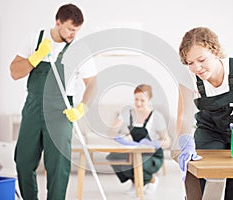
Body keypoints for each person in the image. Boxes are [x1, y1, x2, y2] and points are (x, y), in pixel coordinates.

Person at [10, 4, 97, 200]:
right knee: (23, 161)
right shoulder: (35, 39)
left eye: (77, 30)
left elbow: (93, 84)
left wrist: (82, 107)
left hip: (60, 113)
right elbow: (15, 72)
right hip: (33, 109)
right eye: (70, 29)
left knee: (58, 166)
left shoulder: (78, 49)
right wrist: (35, 57)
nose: (73, 34)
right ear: (58, 23)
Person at [177, 27, 233, 200]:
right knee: (199, 174)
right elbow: (183, 117)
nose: (196, 67)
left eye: (201, 59)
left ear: (216, 51)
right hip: (211, 129)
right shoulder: (188, 79)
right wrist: (184, 141)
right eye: (190, 63)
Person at [108, 84, 171, 194]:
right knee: (113, 157)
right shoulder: (128, 114)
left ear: (149, 100)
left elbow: (167, 141)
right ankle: (135, 182)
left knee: (136, 162)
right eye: (136, 99)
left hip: (152, 154)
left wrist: (152, 143)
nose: (138, 103)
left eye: (142, 100)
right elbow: (111, 134)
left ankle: (152, 180)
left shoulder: (156, 116)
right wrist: (117, 120)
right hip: (134, 151)